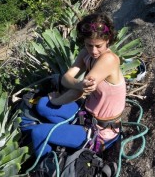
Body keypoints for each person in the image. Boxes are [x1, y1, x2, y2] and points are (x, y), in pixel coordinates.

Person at [30, 13, 126, 157]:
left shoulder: (109, 60)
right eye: (89, 45)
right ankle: (66, 135)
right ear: (84, 41)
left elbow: (77, 92)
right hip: (87, 116)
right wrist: (79, 84)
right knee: (42, 104)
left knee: (38, 133)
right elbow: (66, 79)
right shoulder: (85, 54)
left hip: (101, 132)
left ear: (108, 40)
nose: (93, 51)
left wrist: (55, 101)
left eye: (98, 46)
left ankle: (47, 165)